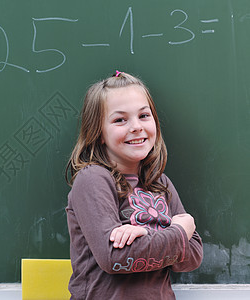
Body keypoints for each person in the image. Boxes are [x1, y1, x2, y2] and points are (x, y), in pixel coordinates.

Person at [65, 71, 203, 299]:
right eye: (120, 120)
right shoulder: (92, 180)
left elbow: (193, 256)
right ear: (98, 132)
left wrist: (145, 233)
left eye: (144, 116)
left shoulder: (160, 183)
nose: (136, 127)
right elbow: (114, 259)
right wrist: (177, 231)